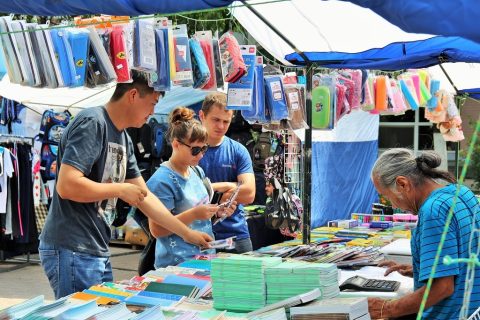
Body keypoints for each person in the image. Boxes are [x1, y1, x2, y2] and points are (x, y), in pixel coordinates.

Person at [38, 71, 212, 299]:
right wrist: (120, 189)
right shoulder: (93, 122)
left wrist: (187, 234)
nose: (152, 112)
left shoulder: (123, 138)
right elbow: (67, 185)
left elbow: (145, 197)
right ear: (132, 95)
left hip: (94, 248)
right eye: (152, 104)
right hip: (72, 247)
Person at [368, 148, 480, 319]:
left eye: (388, 197)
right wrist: (423, 269)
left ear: (403, 184)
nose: (394, 204)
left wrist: (387, 309)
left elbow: (443, 287)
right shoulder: (461, 192)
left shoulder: (433, 211)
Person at [147, 107, 236, 268]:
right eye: (195, 150)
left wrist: (218, 213)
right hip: (176, 265)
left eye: (204, 149)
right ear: (176, 144)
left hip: (204, 259)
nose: (201, 155)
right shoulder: (162, 180)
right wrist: (195, 214)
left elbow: (201, 219)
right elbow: (157, 230)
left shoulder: (196, 171)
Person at [198, 92, 256, 253]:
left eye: (226, 121)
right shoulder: (192, 150)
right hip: (198, 236)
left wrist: (213, 189)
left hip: (236, 236)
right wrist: (232, 188)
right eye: (216, 120)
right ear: (202, 115)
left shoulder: (238, 150)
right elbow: (186, 193)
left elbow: (249, 193)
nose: (221, 126)